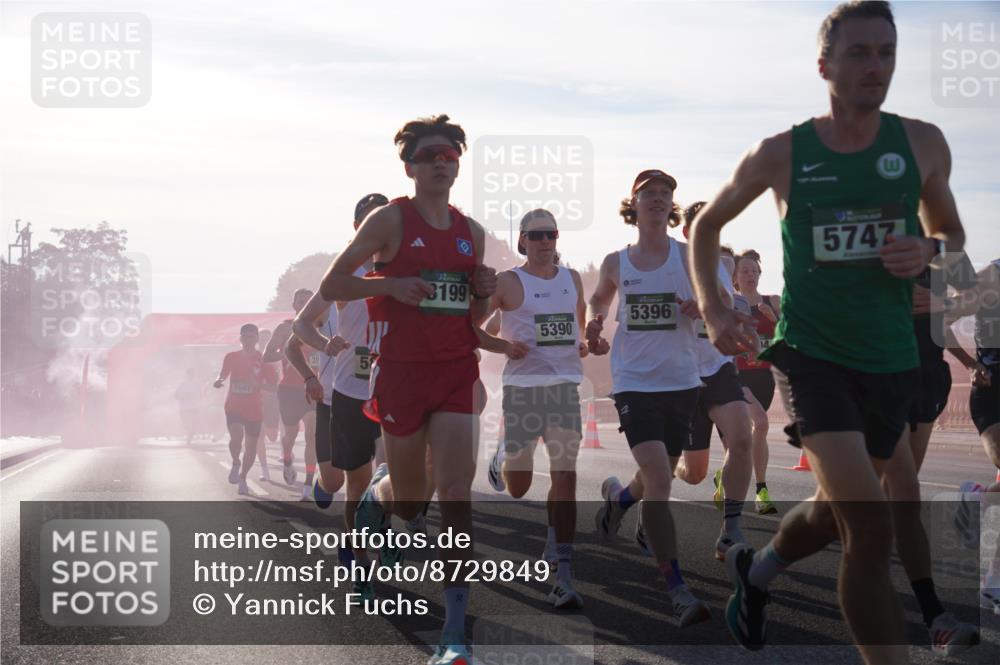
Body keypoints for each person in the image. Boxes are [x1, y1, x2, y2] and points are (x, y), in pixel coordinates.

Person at [689, 3, 967, 662]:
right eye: (860, 53)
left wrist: (928, 249)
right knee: (870, 528)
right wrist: (713, 308)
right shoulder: (782, 153)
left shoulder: (923, 142)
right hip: (813, 356)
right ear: (824, 66)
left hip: (891, 357)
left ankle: (756, 575)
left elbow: (953, 235)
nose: (876, 66)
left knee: (833, 505)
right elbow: (706, 227)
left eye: (887, 53)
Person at [319, 115, 497, 665]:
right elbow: (333, 284)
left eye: (449, 154)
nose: (441, 161)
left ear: (458, 164)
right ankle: (380, 494)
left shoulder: (473, 233)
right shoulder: (388, 219)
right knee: (413, 497)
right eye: (429, 155)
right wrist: (392, 283)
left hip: (454, 371)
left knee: (455, 494)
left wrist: (485, 293)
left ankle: (453, 632)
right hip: (399, 373)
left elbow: (474, 315)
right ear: (410, 166)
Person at [588, 169, 711, 627]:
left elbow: (713, 300)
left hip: (681, 381)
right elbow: (599, 299)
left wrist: (701, 307)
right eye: (649, 194)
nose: (658, 199)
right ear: (633, 204)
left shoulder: (688, 256)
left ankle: (619, 503)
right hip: (634, 381)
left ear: (671, 205)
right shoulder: (617, 261)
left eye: (666, 194)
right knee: (660, 478)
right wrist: (593, 324)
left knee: (653, 479)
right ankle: (677, 589)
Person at [485, 208, 588, 609]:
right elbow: (473, 326)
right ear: (523, 240)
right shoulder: (508, 282)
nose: (546, 241)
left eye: (552, 234)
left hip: (564, 387)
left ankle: (563, 571)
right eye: (537, 234)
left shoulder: (572, 278)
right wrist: (504, 346)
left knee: (566, 476)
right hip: (523, 389)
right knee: (519, 486)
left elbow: (579, 322)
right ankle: (506, 449)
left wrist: (585, 341)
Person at [951, 257, 1000, 615]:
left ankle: (991, 584)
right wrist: (970, 364)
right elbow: (943, 318)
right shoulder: (992, 274)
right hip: (991, 391)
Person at [731, 250, 780, 515]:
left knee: (755, 432)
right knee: (760, 422)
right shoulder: (729, 303)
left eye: (754, 271)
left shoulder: (773, 301)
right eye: (745, 271)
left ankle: (725, 472)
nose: (750, 275)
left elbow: (791, 337)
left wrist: (776, 320)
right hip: (737, 375)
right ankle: (761, 490)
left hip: (765, 376)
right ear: (735, 278)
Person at [264, 289, 323, 499]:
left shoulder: (322, 325)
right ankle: (287, 458)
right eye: (301, 301)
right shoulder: (284, 328)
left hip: (314, 388)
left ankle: (308, 483)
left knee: (311, 435)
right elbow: (267, 355)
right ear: (294, 304)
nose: (305, 304)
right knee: (289, 435)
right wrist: (289, 352)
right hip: (289, 389)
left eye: (309, 301)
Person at [214, 324, 278, 495]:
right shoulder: (231, 357)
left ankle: (243, 477)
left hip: (254, 409)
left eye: (252, 337)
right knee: (236, 437)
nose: (248, 340)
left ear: (257, 339)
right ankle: (236, 461)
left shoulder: (263, 359)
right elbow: (222, 374)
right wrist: (219, 381)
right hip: (234, 405)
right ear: (240, 339)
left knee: (250, 448)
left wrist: (259, 385)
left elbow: (273, 386)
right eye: (245, 337)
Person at [175, 368, 203, 445]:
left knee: (191, 425)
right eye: (190, 374)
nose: (190, 375)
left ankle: (190, 435)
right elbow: (176, 395)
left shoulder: (194, 384)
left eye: (191, 374)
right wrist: (182, 397)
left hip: (191, 408)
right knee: (188, 424)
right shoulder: (183, 384)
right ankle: (189, 434)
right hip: (187, 408)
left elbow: (201, 396)